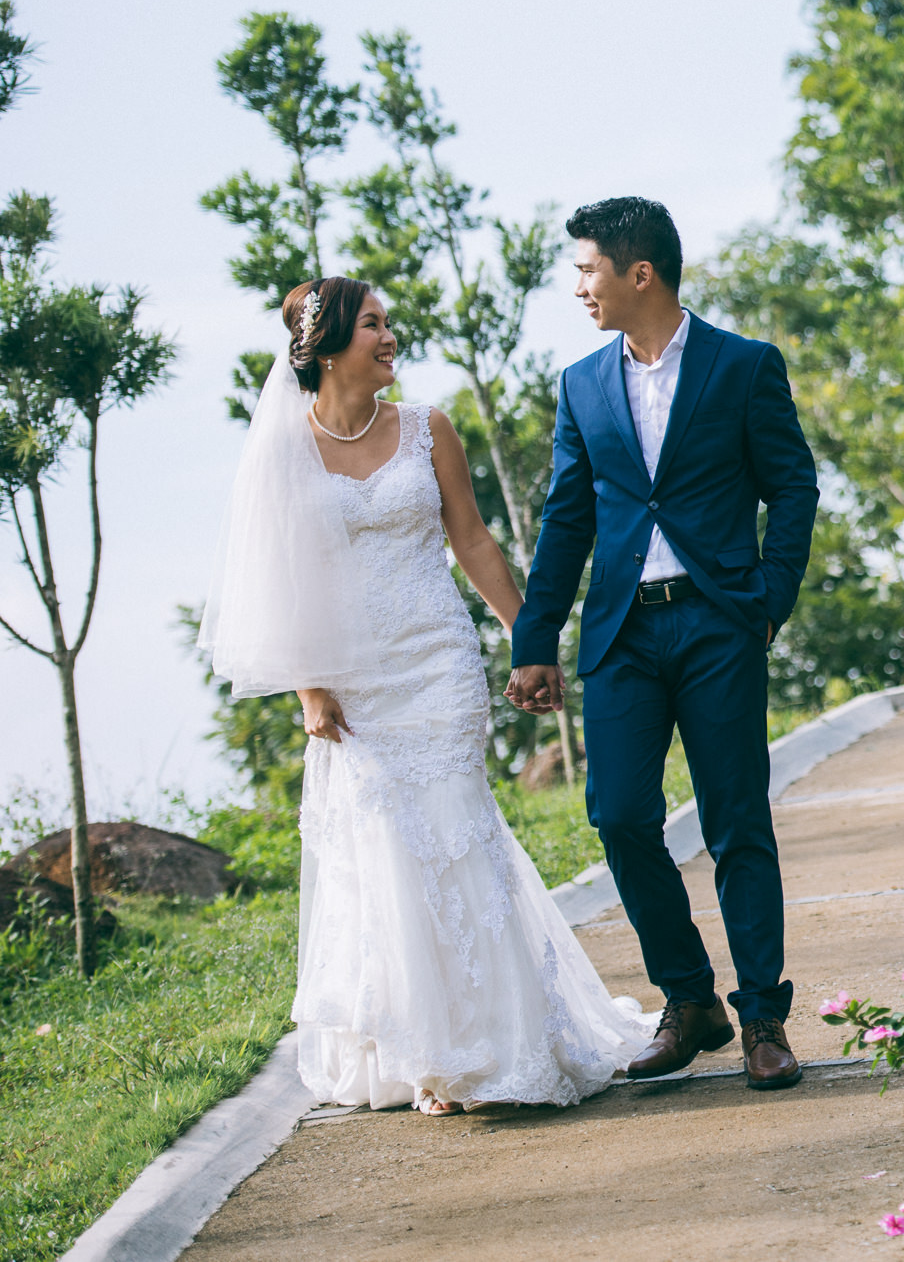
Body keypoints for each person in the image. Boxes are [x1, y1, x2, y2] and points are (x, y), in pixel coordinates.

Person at [199, 277, 648, 1117]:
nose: (390, 337)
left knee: (454, 838)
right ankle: (427, 1054)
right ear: (329, 345)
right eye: (374, 324)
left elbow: (471, 540)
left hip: (437, 664)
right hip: (353, 679)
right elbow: (278, 579)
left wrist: (531, 639)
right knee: (386, 858)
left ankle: (498, 1042)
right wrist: (309, 687)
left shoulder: (426, 428)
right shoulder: (284, 449)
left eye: (389, 323)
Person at [505, 197, 819, 1090]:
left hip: (720, 621)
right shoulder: (581, 384)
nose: (578, 288)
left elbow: (792, 489)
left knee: (735, 820)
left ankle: (764, 1017)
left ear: (639, 272)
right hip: (621, 632)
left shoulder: (745, 367)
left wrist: (768, 600)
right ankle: (688, 999)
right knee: (620, 818)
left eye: (587, 269)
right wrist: (537, 638)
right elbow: (567, 519)